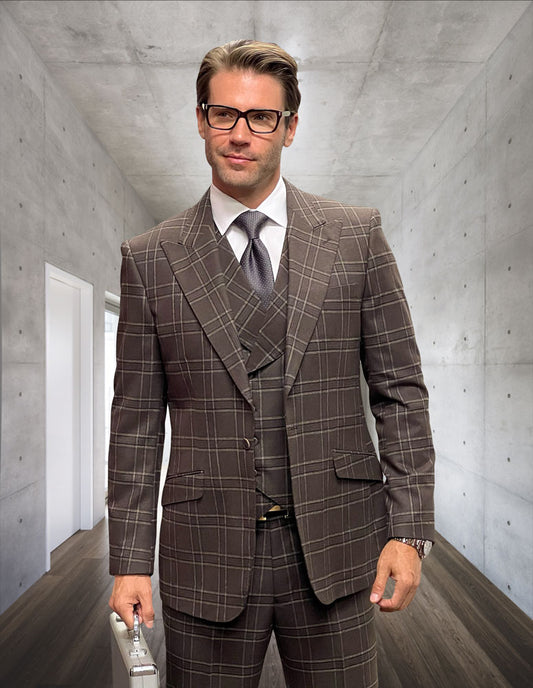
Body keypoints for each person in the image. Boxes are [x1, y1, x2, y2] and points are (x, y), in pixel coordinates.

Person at [108, 39, 435, 688]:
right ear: (200, 119)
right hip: (205, 552)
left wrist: (409, 527)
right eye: (223, 114)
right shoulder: (150, 258)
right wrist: (128, 560)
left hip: (339, 546)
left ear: (289, 127)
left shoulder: (354, 235)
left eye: (260, 118)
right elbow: (136, 423)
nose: (239, 133)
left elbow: (399, 391)